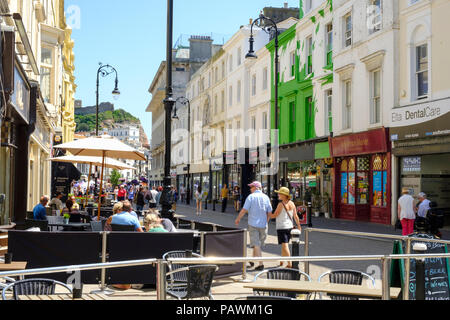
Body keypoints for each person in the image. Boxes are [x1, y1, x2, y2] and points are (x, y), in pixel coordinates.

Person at [235, 181, 273, 271]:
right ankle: (252, 260)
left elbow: (244, 210)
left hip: (253, 224)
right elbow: (269, 212)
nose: (250, 189)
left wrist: (238, 219)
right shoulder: (266, 197)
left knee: (256, 245)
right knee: (257, 245)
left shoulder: (251, 197)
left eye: (251, 187)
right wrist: (266, 221)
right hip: (263, 225)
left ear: (256, 188)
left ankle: (261, 264)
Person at [269, 187, 301, 268]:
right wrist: (299, 226)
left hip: (282, 227)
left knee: (285, 245)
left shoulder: (281, 204)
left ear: (284, 195)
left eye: (280, 193)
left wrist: (268, 214)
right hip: (290, 227)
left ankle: (289, 263)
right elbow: (295, 216)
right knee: (284, 244)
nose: (278, 195)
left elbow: (275, 215)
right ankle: (282, 260)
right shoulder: (292, 203)